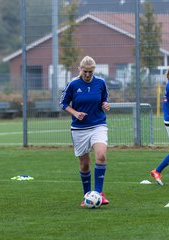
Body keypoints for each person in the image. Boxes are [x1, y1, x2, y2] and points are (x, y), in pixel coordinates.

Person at [59, 56, 110, 207]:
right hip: (79, 129)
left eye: (90, 71)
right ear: (80, 69)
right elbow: (63, 103)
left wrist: (106, 105)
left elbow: (104, 99)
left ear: (94, 70)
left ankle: (99, 194)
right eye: (85, 71)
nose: (87, 74)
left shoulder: (100, 83)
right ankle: (87, 196)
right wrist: (75, 113)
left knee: (101, 155)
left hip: (98, 125)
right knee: (84, 164)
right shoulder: (73, 84)